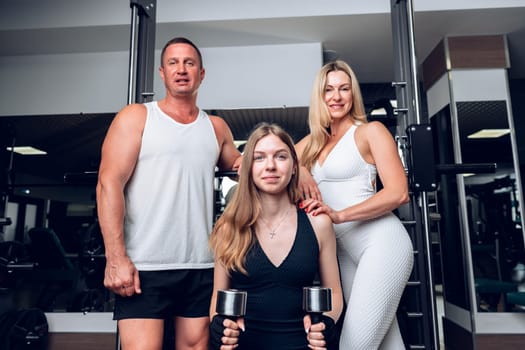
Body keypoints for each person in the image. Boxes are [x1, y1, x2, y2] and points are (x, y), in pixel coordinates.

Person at [96, 37, 241, 350]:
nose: (181, 70)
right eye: (173, 63)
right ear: (162, 73)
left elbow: (248, 168)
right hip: (144, 266)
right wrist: (115, 257)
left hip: (200, 266)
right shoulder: (137, 117)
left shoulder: (215, 127)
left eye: (189, 63)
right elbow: (109, 184)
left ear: (201, 74)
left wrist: (301, 167)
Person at [296, 60, 414, 349]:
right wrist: (300, 169)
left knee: (353, 344)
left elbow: (399, 193)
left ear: (353, 94)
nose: (336, 97)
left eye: (344, 89)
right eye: (328, 90)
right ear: (319, 96)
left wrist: (340, 215)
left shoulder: (369, 131)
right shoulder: (313, 143)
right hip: (347, 252)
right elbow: (260, 157)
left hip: (382, 243)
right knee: (387, 343)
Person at [208, 123, 343, 350]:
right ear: (249, 168)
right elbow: (217, 298)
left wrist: (326, 324)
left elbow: (335, 293)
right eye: (259, 158)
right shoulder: (228, 227)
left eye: (280, 157)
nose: (270, 166)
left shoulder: (318, 222)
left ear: (293, 168)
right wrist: (219, 326)